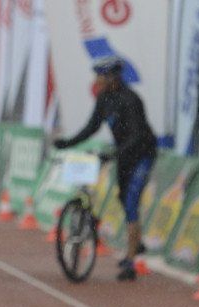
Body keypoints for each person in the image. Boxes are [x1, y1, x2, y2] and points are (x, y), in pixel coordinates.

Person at [54, 55, 157, 281]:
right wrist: (68, 143)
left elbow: (137, 135)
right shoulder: (103, 99)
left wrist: (113, 154)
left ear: (113, 78)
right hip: (123, 154)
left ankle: (130, 261)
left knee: (131, 202)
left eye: (100, 77)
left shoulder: (131, 100)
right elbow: (92, 127)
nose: (96, 81)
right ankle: (136, 242)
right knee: (122, 196)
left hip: (142, 154)